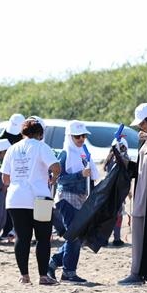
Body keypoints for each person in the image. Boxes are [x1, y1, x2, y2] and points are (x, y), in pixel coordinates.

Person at [0, 116, 61, 285]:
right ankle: (42, 276)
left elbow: (5, 178)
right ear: (40, 133)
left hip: (16, 198)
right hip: (39, 197)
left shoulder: (12, 149)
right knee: (43, 237)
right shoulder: (42, 146)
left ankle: (24, 276)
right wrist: (53, 178)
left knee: (21, 236)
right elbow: (56, 166)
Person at [47, 121, 100, 283]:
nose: (81, 139)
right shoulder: (64, 153)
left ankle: (55, 262)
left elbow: (91, 175)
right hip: (66, 198)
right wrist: (80, 175)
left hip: (81, 198)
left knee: (77, 236)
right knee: (74, 236)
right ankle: (68, 272)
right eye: (78, 136)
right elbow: (59, 178)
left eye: (84, 136)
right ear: (70, 137)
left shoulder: (84, 152)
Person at [120, 103, 147, 285]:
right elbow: (140, 168)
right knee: (138, 233)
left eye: (143, 123)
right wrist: (125, 161)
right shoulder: (145, 141)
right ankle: (136, 272)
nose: (140, 127)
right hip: (141, 195)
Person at [105, 137, 133, 247]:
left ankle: (106, 238)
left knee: (110, 215)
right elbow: (126, 176)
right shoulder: (122, 158)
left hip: (110, 190)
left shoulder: (109, 158)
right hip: (118, 191)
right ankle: (116, 238)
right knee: (117, 215)